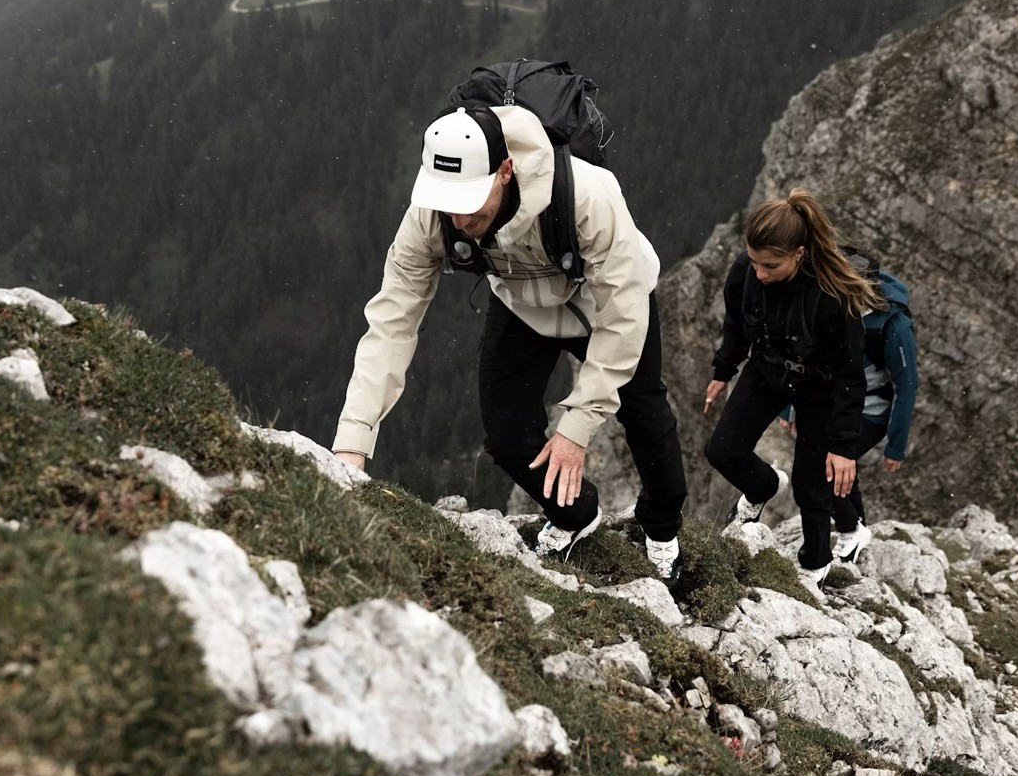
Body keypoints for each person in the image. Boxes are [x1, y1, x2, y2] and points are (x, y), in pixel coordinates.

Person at [333, 100, 689, 583]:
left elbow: (624, 312)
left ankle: (662, 526)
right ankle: (576, 516)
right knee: (506, 433)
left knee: (645, 416)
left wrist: (577, 425)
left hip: (603, 300)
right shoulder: (429, 217)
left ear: (504, 171)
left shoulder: (586, 195)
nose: (457, 221)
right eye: (446, 203)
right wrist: (353, 441)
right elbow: (392, 322)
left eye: (468, 204)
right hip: (522, 301)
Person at [703, 189, 881, 588]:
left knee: (811, 484)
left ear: (799, 253)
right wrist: (723, 370)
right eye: (754, 261)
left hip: (821, 388)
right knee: (723, 450)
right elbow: (736, 326)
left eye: (771, 265)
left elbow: (852, 375)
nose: (760, 273)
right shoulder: (744, 273)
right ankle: (764, 486)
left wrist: (843, 446)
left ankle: (814, 566)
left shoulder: (835, 294)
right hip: (766, 368)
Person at [778, 264, 918, 563]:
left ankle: (849, 529)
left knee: (825, 469)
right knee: (838, 468)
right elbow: (807, 359)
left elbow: (906, 386)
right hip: (834, 406)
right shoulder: (832, 307)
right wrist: (790, 407)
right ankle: (858, 531)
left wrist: (896, 445)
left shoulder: (892, 325)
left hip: (871, 412)